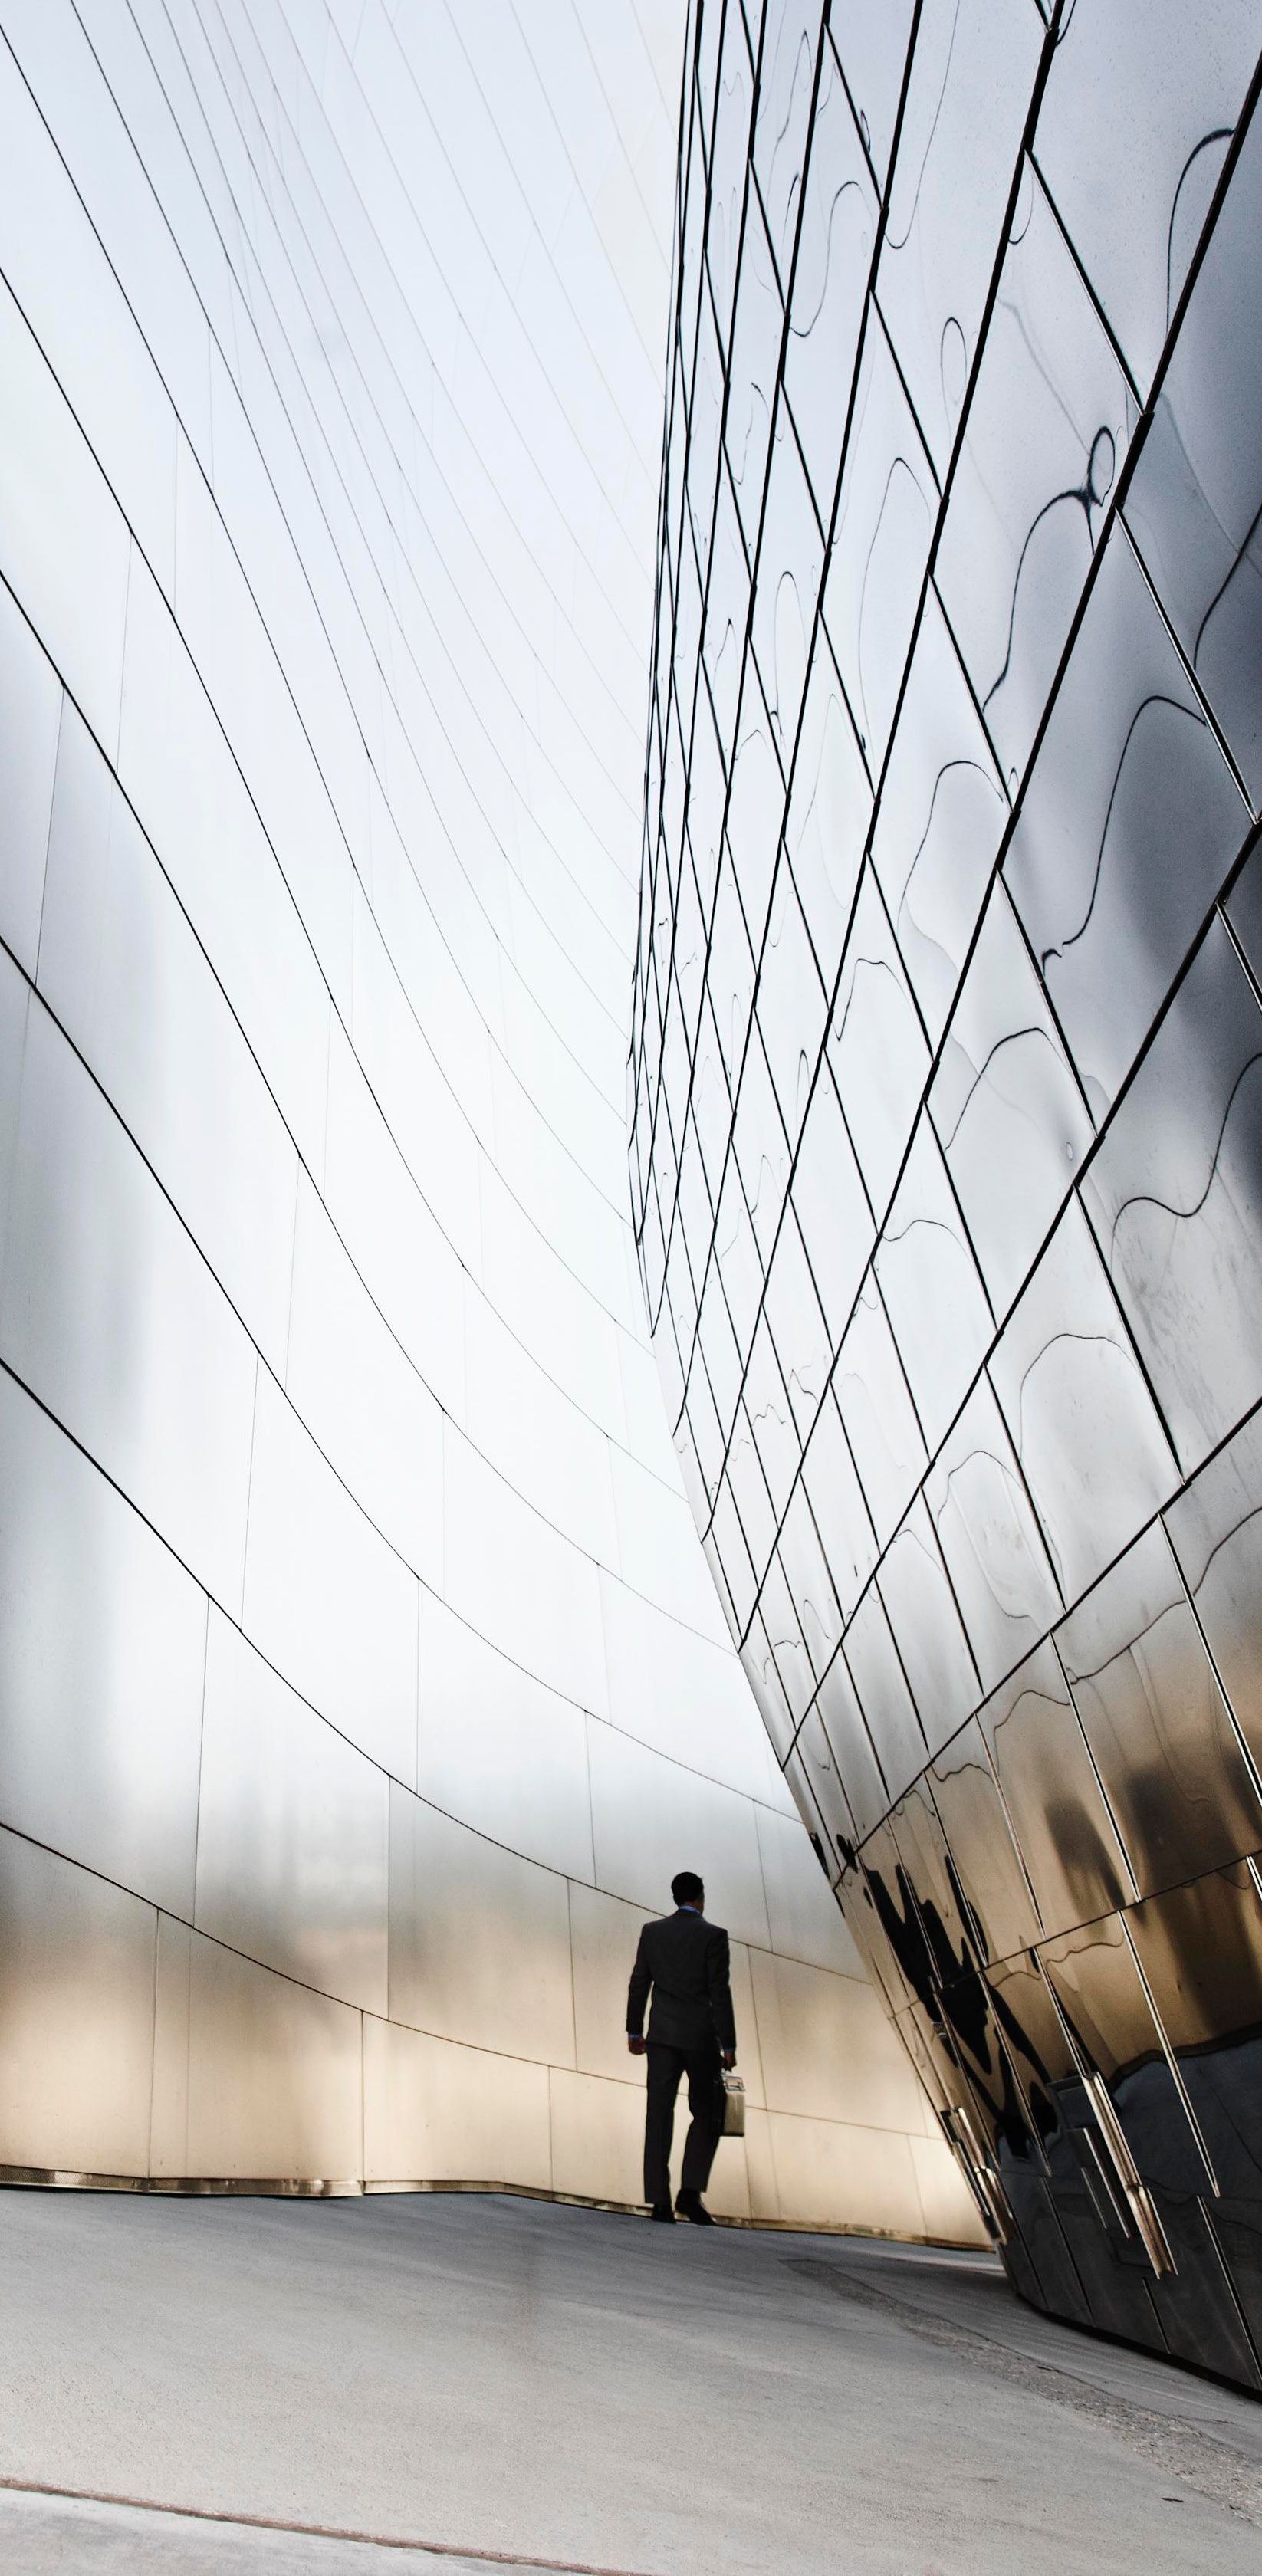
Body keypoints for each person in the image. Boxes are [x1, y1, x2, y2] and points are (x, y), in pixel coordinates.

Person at [626, 1871, 736, 2224]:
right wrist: (729, 2043)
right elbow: (720, 1993)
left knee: (658, 2115)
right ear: (700, 1897)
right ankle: (690, 2194)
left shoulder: (652, 1933)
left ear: (675, 1897)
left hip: (660, 2039)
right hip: (701, 2040)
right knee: (707, 2114)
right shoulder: (714, 1936)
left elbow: (639, 1982)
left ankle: (659, 2201)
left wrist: (634, 2031)